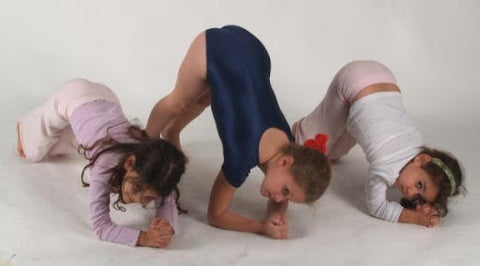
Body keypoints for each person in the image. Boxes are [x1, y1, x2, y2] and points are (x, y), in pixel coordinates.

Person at [146, 25, 331, 239]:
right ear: (286, 162)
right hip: (214, 48)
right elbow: (216, 215)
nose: (279, 198)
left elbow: (281, 191)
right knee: (179, 102)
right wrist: (261, 227)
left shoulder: (289, 146)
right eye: (285, 192)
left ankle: (171, 133)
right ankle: (143, 142)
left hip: (253, 52)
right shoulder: (241, 158)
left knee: (205, 98)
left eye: (286, 199)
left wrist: (275, 213)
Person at [17, 79, 187, 247]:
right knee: (33, 152)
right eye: (136, 188)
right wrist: (143, 238)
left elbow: (167, 198)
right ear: (130, 162)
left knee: (60, 148)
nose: (136, 200)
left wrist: (165, 226)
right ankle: (25, 125)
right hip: (72, 96)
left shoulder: (158, 167)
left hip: (108, 99)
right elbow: (101, 227)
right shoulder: (104, 167)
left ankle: (72, 128)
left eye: (149, 198)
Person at [292, 60, 465, 227]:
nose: (411, 193)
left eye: (419, 196)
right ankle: (302, 128)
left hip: (385, 79)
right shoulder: (384, 169)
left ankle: (347, 118)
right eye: (419, 185)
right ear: (422, 160)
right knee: (305, 149)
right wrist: (416, 218)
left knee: (331, 156)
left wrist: (424, 205)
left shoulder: (417, 144)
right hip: (353, 82)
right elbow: (377, 207)